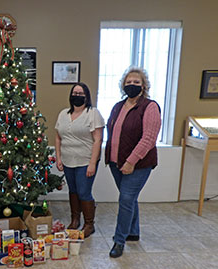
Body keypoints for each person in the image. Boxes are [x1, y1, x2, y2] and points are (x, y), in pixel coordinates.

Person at [105, 67, 161, 258]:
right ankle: (133, 232)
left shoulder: (150, 107)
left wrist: (130, 161)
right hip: (115, 162)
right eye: (128, 82)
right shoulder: (118, 106)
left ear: (143, 86)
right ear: (123, 85)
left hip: (137, 165)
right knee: (129, 198)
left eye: (136, 82)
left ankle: (119, 241)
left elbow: (148, 139)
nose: (132, 85)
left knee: (125, 200)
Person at [55, 82, 105, 237]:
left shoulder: (93, 113)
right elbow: (57, 137)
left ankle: (89, 224)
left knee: (84, 192)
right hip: (68, 160)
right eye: (74, 93)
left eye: (80, 93)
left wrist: (92, 163)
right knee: (74, 191)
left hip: (86, 161)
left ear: (86, 96)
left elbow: (98, 140)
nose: (77, 96)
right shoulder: (63, 114)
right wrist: (58, 157)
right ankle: (75, 220)